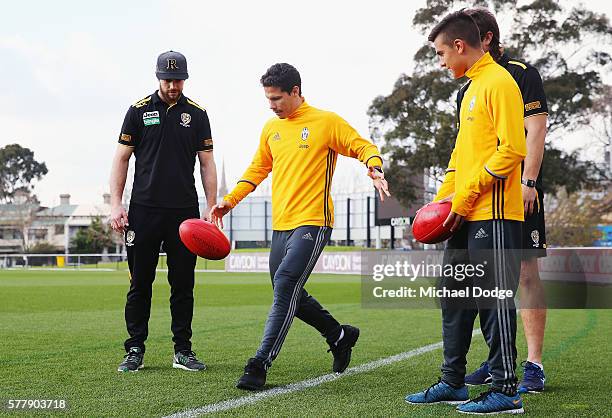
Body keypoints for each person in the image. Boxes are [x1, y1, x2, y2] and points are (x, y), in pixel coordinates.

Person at [209, 63, 390, 391]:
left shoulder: (326, 122)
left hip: (314, 222)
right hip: (282, 225)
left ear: (295, 91)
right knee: (288, 290)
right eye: (268, 100)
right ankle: (339, 335)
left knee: (286, 283)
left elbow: (363, 146)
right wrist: (229, 201)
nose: (272, 105)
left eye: (277, 98)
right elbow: (257, 168)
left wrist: (374, 168)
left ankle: (260, 362)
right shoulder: (271, 129)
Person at [404, 11, 527, 414]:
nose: (440, 62)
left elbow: (512, 150)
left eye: (441, 53)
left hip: (493, 212)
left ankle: (506, 390)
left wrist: (466, 197)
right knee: (454, 295)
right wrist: (441, 205)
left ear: (460, 46)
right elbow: (461, 157)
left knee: (492, 300)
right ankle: (452, 382)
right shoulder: (470, 90)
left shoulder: (500, 83)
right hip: (462, 212)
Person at [458, 7, 549, 394]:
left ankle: (533, 365)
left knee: (526, 272)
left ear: (486, 38)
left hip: (519, 191)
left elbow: (536, 128)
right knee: (487, 279)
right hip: (481, 196)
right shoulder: (466, 87)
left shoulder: (521, 73)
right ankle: (500, 360)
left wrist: (529, 180)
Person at [109, 51, 217, 372]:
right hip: (143, 211)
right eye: (167, 80)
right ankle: (135, 350)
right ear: (158, 78)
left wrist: (211, 207)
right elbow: (121, 158)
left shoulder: (197, 115)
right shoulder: (138, 112)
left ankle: (182, 350)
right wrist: (116, 203)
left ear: (185, 79)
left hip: (185, 214)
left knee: (183, 285)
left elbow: (207, 163)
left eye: (178, 79)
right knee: (140, 283)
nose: (173, 85)